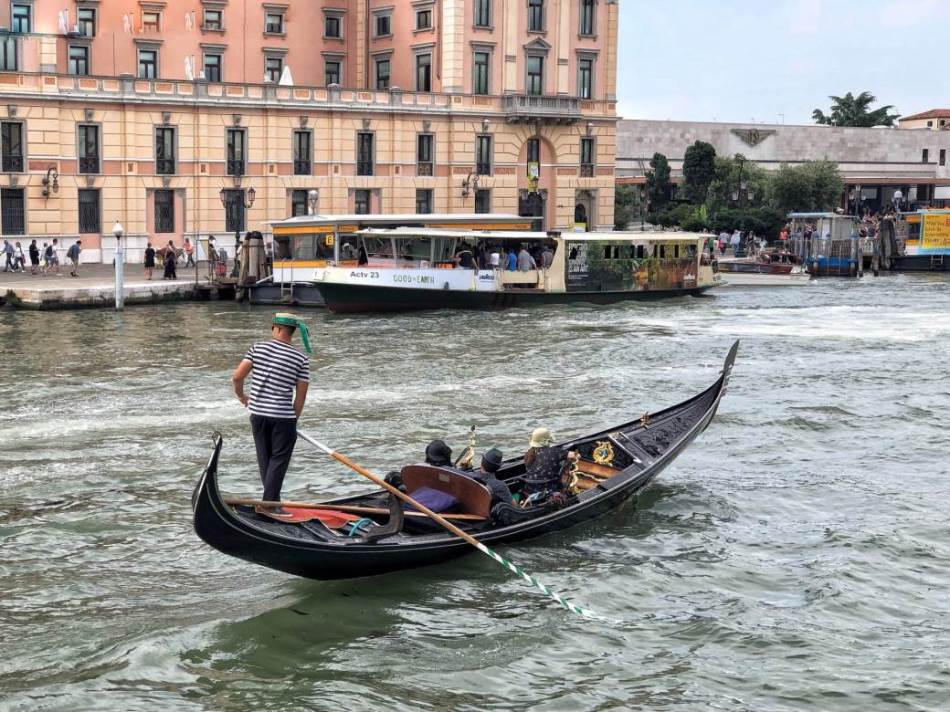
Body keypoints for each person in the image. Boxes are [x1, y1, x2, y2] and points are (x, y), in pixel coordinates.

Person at [231, 312, 312, 518]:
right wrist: (293, 419)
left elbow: (237, 376)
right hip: (282, 416)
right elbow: (301, 395)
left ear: (276, 328)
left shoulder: (257, 348)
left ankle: (271, 501)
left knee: (265, 457)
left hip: (258, 414)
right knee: (278, 460)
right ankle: (270, 504)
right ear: (291, 332)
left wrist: (242, 396)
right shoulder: (301, 358)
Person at [521, 427, 579, 499]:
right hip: (548, 493)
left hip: (529, 491)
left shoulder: (528, 454)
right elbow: (575, 455)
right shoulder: (555, 452)